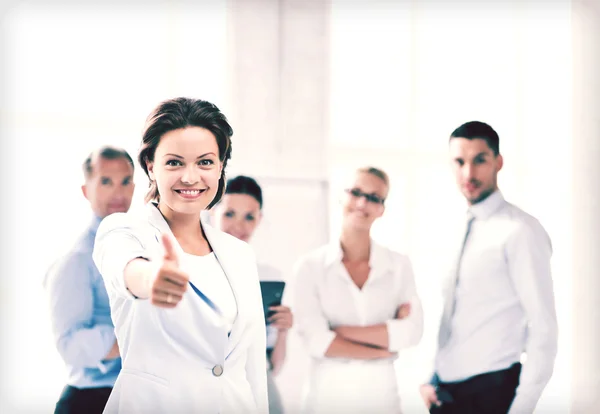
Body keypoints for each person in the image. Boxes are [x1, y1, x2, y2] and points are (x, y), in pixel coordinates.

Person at [92, 97, 268, 414]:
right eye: (174, 162)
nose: (190, 177)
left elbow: (251, 368)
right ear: (150, 166)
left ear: (220, 167)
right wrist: (150, 279)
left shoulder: (239, 254)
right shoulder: (124, 230)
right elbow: (125, 268)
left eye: (205, 162)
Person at [420, 121, 558, 414]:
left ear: (498, 162)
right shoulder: (454, 229)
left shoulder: (521, 231)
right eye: (459, 161)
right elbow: (451, 314)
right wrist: (431, 376)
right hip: (445, 394)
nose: (468, 173)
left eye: (479, 160)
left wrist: (522, 408)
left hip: (492, 394)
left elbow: (543, 327)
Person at [292, 166, 424, 414]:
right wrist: (382, 349)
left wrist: (340, 331)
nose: (363, 203)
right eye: (356, 192)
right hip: (327, 400)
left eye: (374, 198)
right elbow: (316, 341)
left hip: (382, 400)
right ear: (342, 196)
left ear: (382, 209)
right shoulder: (310, 267)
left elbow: (411, 332)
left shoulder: (398, 266)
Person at [44, 146, 135, 414]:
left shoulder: (144, 248)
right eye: (106, 181)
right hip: (90, 401)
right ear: (86, 191)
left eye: (126, 181)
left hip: (131, 398)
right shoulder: (77, 260)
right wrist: (134, 338)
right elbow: (69, 344)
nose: (118, 192)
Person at [211, 175, 293, 414]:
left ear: (260, 220)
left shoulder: (268, 276)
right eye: (229, 213)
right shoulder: (193, 270)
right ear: (212, 212)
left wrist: (284, 329)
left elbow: (274, 366)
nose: (239, 225)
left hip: (258, 389)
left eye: (249, 217)